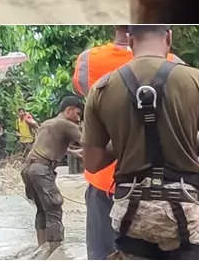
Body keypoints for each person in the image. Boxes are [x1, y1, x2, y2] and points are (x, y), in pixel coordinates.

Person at [81, 25, 199, 259]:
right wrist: (184, 136)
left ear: (130, 40)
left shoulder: (103, 87)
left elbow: (92, 162)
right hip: (183, 209)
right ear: (169, 37)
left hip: (131, 212)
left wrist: (124, 141)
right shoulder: (196, 80)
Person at [72, 25, 183, 259]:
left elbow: (84, 92)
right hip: (159, 183)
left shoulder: (88, 61)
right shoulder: (175, 63)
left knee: (104, 254)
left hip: (105, 179)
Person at [21, 96, 85, 255]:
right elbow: (90, 141)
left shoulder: (48, 123)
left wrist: (74, 153)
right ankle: (57, 253)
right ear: (68, 110)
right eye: (77, 114)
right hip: (42, 170)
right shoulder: (66, 124)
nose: (78, 119)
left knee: (42, 210)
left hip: (29, 169)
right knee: (54, 209)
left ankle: (41, 249)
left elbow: (50, 145)